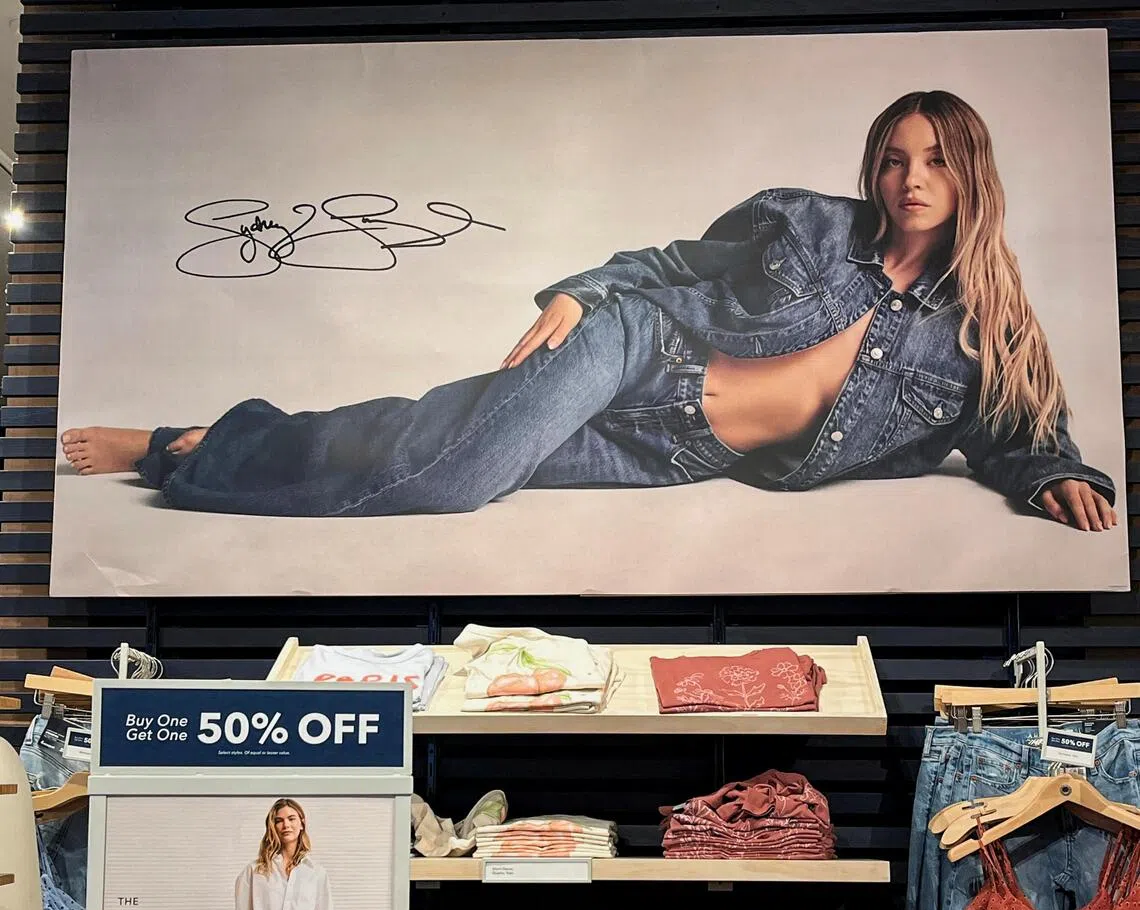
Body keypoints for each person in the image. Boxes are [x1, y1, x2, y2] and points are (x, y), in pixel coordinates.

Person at [62, 90, 1116, 531]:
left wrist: (1059, 471)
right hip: (636, 354)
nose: (909, 177)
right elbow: (665, 260)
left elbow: (1021, 435)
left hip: (675, 452)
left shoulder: (983, 338)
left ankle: (197, 437)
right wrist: (580, 294)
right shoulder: (811, 224)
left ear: (971, 171)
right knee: (457, 474)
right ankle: (172, 454)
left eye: (933, 159)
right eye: (893, 158)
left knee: (415, 432)